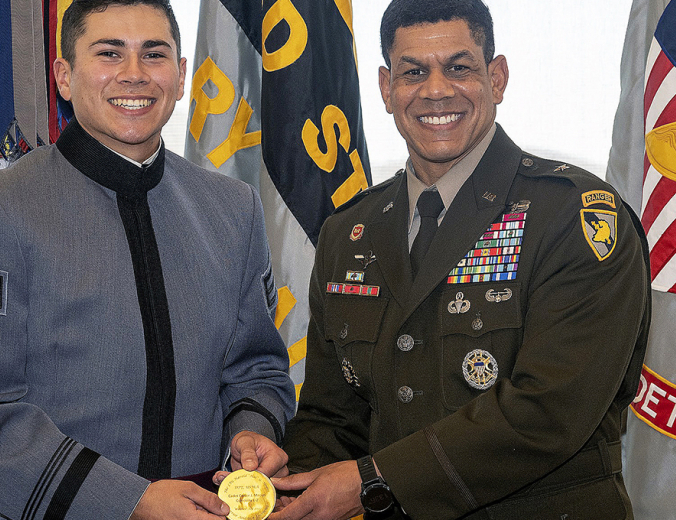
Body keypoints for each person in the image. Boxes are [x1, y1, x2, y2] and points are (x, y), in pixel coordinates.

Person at [270, 0, 651, 519]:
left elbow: (547, 413)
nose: (435, 90)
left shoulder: (572, 215)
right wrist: (285, 482)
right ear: (386, 89)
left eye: (459, 67)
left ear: (497, 78)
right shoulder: (348, 233)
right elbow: (332, 416)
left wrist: (370, 480)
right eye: (413, 72)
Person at [0, 1, 295, 519]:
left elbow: (256, 368)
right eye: (109, 54)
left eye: (154, 55)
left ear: (182, 76)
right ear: (64, 77)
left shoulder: (233, 209)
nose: (134, 75)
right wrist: (129, 502)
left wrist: (253, 429)